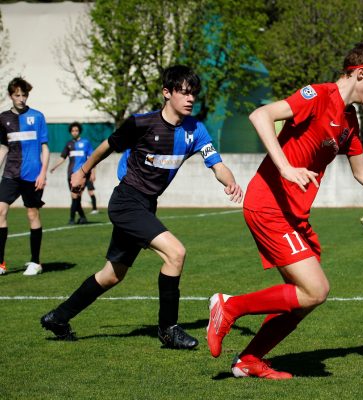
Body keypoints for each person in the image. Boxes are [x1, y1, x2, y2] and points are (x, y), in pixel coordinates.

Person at [205, 39, 363, 379]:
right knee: (316, 290)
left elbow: (362, 170)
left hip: (294, 216)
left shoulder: (349, 119)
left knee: (303, 299)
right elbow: (260, 115)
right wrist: (284, 168)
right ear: (361, 73)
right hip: (268, 205)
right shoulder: (318, 95)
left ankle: (249, 359)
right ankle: (228, 307)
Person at [40, 65, 243, 349]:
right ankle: (168, 329)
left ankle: (57, 317)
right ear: (166, 93)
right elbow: (107, 146)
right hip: (126, 202)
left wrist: (230, 182)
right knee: (176, 253)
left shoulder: (195, 129)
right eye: (183, 92)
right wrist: (82, 171)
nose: (189, 98)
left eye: (193, 93)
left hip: (145, 206)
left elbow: (216, 164)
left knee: (112, 275)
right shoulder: (142, 123)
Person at [0, 77, 49, 276]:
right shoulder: (3, 118)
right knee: (0, 211)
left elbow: (45, 147)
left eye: (24, 95)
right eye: (17, 95)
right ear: (10, 96)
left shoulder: (37, 116)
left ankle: (36, 262)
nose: (21, 98)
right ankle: (1, 263)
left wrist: (43, 173)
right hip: (11, 174)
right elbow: (3, 147)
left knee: (32, 214)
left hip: (32, 174)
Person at [49, 122, 95, 224]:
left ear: (79, 131)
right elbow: (62, 157)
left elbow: (91, 158)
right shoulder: (69, 144)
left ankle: (72, 219)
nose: (74, 132)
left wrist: (93, 173)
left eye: (76, 130)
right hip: (71, 174)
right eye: (73, 131)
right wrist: (54, 167)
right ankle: (82, 218)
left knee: (75, 196)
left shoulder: (86, 143)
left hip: (83, 174)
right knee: (75, 197)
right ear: (70, 132)